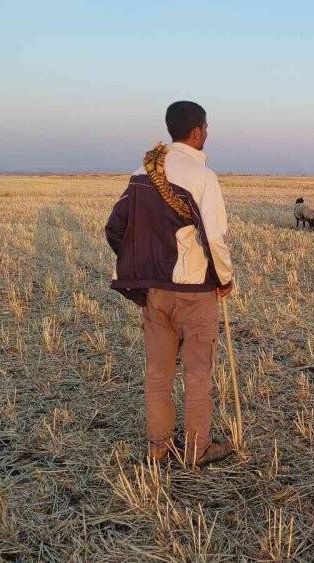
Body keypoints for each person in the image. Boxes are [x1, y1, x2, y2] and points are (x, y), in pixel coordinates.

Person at [105, 101, 234, 467]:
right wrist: (224, 279)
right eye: (206, 128)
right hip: (194, 293)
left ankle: (158, 447)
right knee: (197, 374)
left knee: (158, 374)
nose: (207, 133)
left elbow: (115, 229)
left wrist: (142, 266)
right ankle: (196, 449)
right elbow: (215, 238)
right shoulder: (203, 177)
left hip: (155, 294)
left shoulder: (139, 175)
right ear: (196, 131)